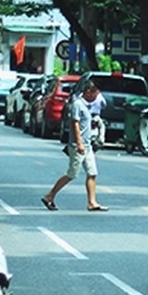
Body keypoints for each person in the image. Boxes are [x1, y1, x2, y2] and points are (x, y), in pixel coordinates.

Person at [41, 81, 107, 211]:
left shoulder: (87, 106)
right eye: (94, 94)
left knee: (92, 173)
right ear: (87, 92)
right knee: (72, 174)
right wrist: (79, 143)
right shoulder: (77, 104)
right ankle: (50, 195)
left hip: (88, 146)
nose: (95, 97)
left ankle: (92, 202)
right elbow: (75, 124)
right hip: (78, 146)